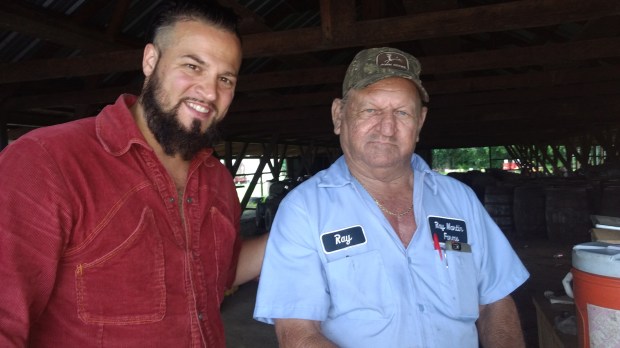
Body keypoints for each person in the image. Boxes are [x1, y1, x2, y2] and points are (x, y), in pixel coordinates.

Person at [0, 2, 267, 347]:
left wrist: (308, 224)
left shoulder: (216, 178)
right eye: (192, 66)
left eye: (225, 79)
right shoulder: (47, 161)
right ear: (150, 61)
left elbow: (222, 271)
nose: (210, 92)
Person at [254, 47, 530, 347]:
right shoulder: (303, 210)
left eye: (402, 112)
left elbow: (495, 302)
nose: (387, 128)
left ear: (420, 122)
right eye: (371, 110)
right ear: (339, 115)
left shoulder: (460, 200)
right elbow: (297, 334)